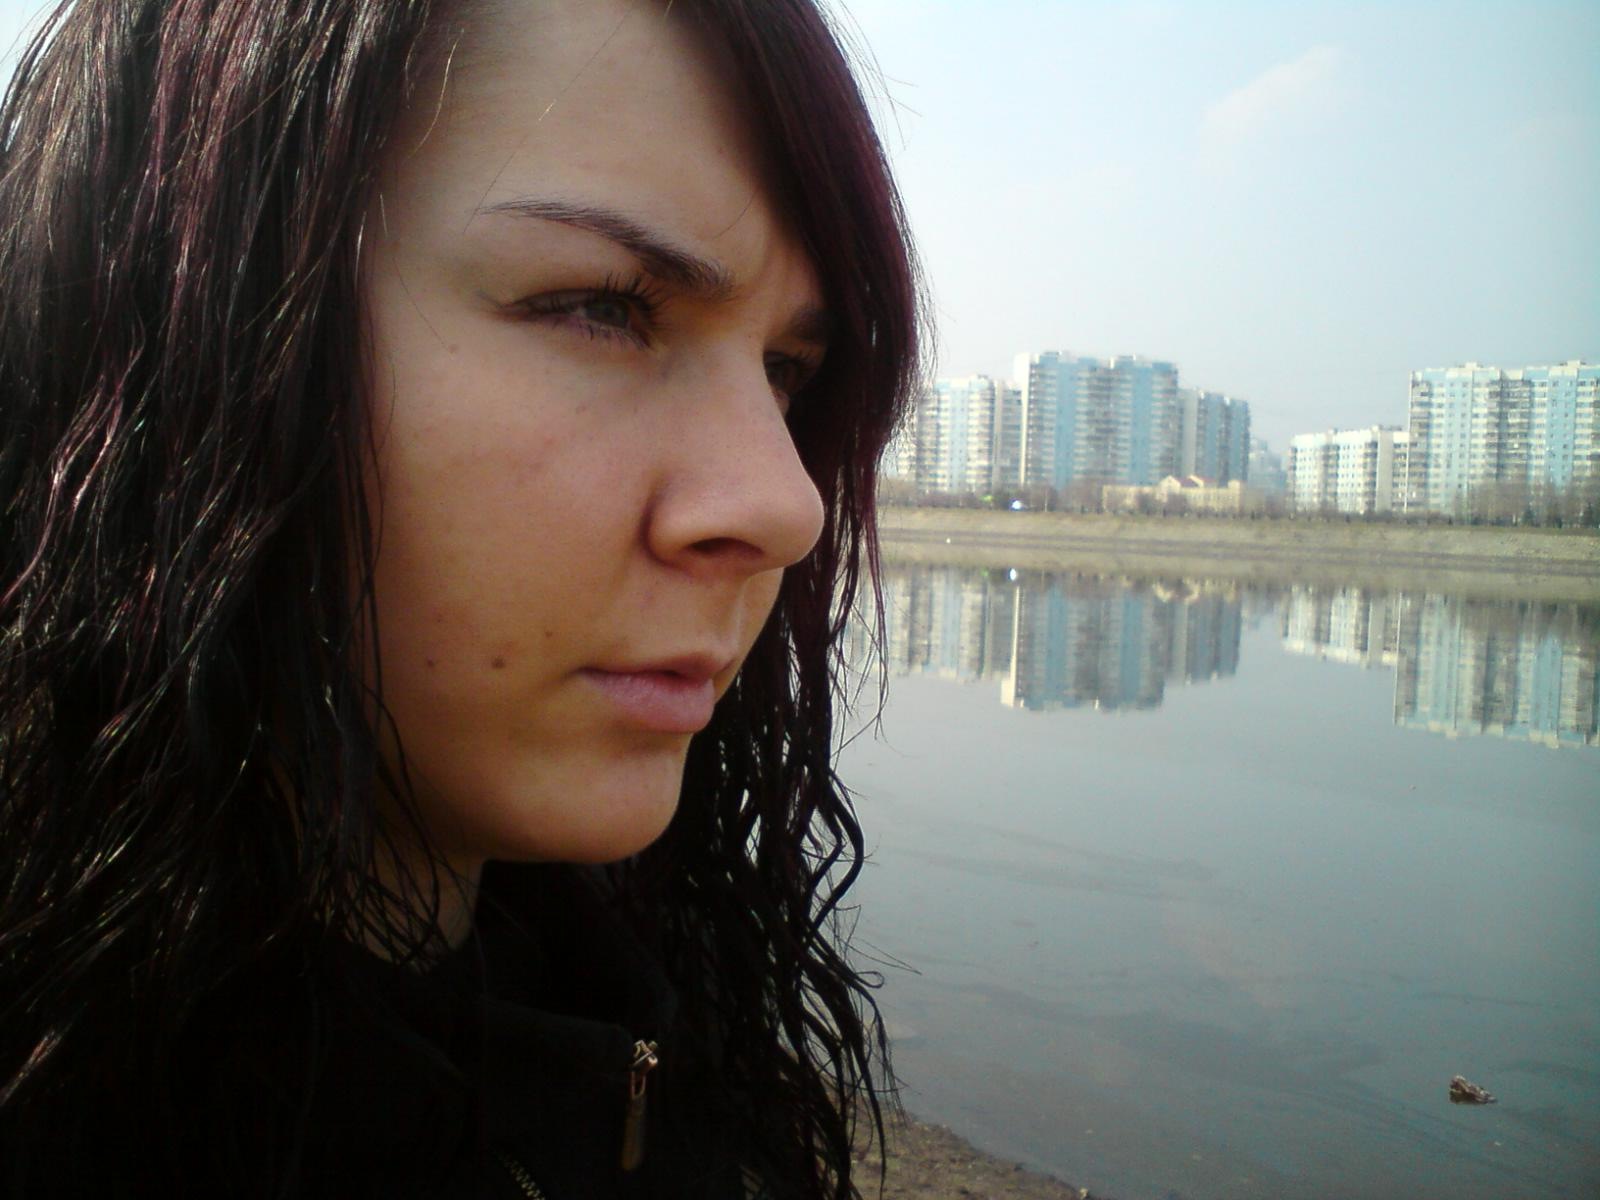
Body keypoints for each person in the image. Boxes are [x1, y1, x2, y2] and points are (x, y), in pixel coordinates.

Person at [0, 0, 921, 1196]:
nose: (784, 506)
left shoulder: (657, 1048)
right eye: (602, 306)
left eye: (786, 368)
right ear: (172, 336)